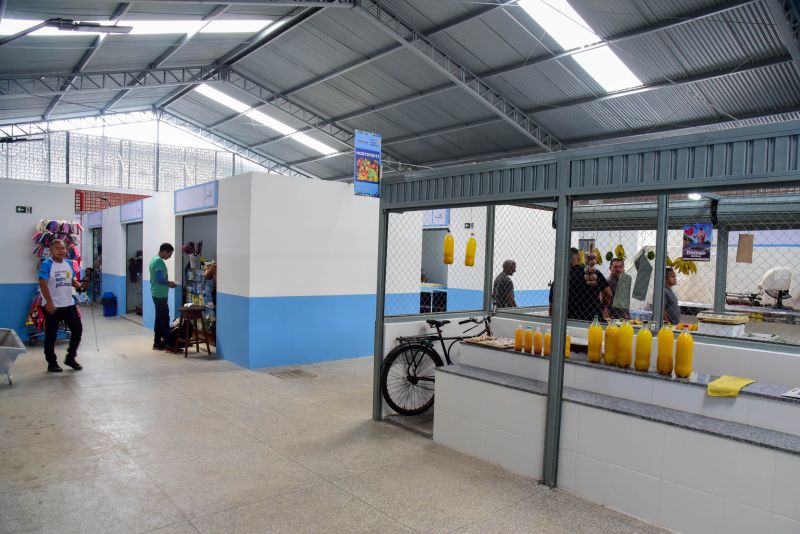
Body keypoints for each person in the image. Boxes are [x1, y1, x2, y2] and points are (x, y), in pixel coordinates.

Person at [38, 240, 87, 373]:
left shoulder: (68, 264)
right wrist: (49, 302)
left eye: (63, 248)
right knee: (51, 336)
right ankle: (52, 362)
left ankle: (70, 358)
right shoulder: (47, 265)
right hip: (52, 307)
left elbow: (69, 279)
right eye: (57, 248)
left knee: (77, 329)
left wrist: (78, 285)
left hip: (68, 304)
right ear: (52, 251)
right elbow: (42, 283)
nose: (61, 251)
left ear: (66, 250)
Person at [567, 249, 611, 321]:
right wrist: (602, 307)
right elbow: (608, 293)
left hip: (568, 321)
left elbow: (552, 306)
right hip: (594, 321)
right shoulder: (593, 272)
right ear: (579, 258)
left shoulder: (561, 277)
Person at [150, 243, 177, 350]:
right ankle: (169, 344)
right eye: (169, 254)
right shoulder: (158, 261)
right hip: (160, 295)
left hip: (156, 293)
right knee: (165, 319)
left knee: (159, 319)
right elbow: (160, 279)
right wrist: (170, 283)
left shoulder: (154, 259)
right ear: (164, 251)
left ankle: (157, 342)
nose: (169, 257)